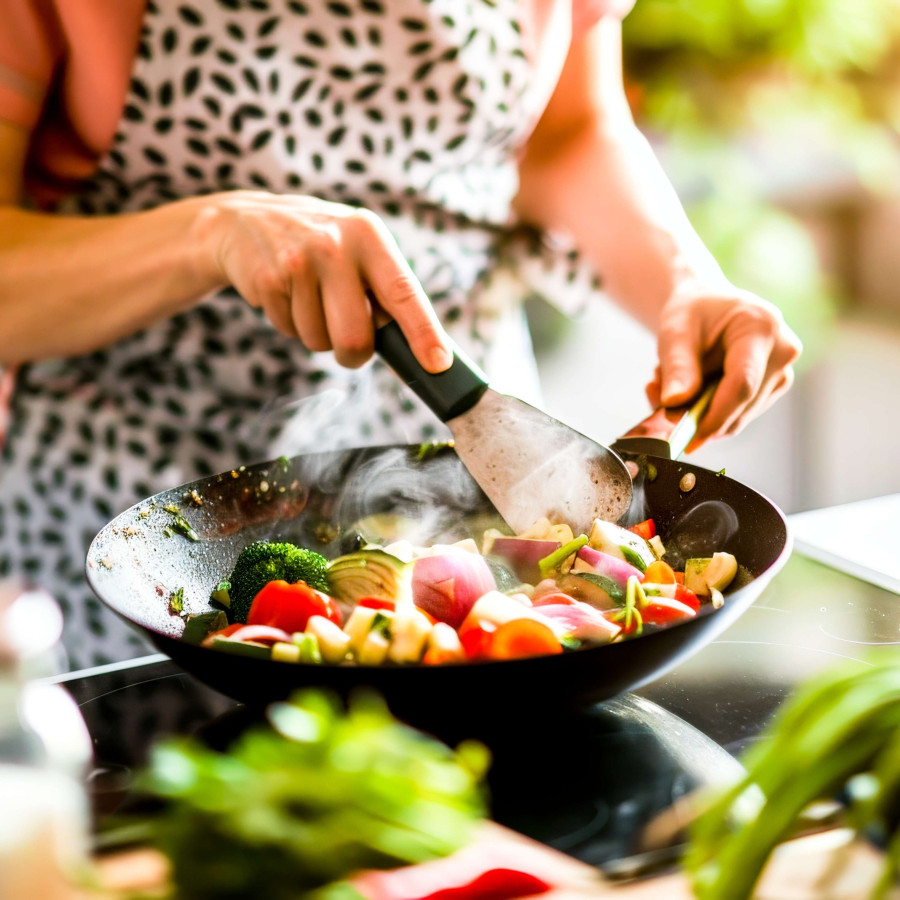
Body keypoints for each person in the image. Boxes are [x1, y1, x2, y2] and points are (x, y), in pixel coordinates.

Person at [0, 0, 801, 671]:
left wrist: (685, 282)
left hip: (480, 465)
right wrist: (208, 233)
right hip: (144, 521)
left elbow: (570, 130)